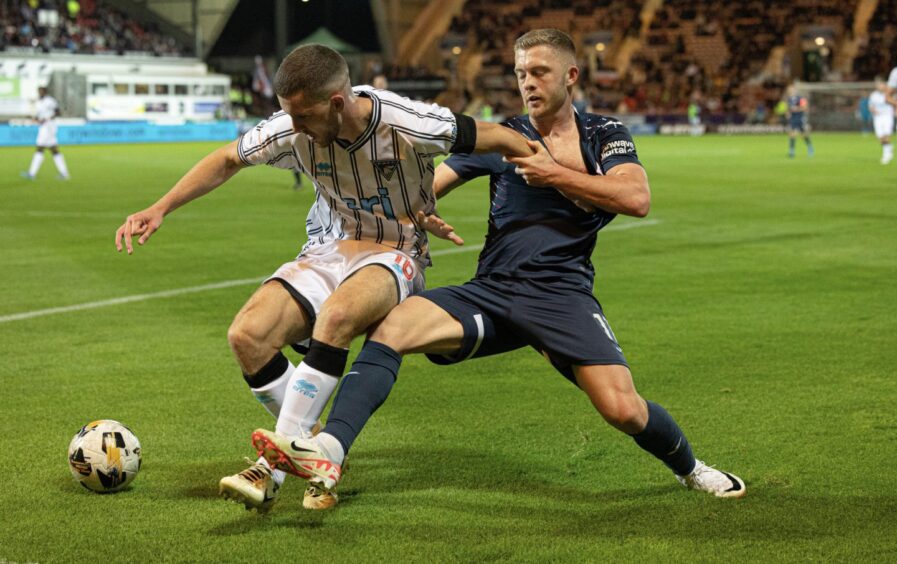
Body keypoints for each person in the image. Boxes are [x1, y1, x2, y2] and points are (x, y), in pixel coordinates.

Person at [253, 29, 746, 508]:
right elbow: (425, 191)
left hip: (560, 296)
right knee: (392, 327)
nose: (527, 83)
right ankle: (330, 453)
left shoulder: (604, 134)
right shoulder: (504, 138)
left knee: (623, 409)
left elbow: (636, 197)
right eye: (519, 73)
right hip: (490, 292)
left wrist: (553, 173)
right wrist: (419, 213)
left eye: (539, 72)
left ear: (570, 75)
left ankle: (691, 469)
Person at [114, 44, 534, 512]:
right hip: (327, 250)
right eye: (288, 115)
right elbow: (228, 158)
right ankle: (315, 452)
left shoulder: (407, 122)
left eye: (304, 116)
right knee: (247, 335)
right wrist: (159, 208)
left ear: (338, 101)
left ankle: (270, 468)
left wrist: (556, 178)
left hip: (395, 253)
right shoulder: (293, 128)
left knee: (334, 318)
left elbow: (501, 137)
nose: (295, 128)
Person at [21, 86, 70, 181]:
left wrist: (46, 119)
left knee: (40, 148)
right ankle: (64, 173)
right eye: (39, 91)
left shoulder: (50, 101)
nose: (40, 93)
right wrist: (34, 118)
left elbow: (58, 112)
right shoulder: (39, 102)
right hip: (44, 127)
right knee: (54, 150)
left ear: (45, 92)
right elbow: (39, 116)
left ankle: (32, 174)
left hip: (49, 127)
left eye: (41, 91)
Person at [868, 77, 894, 165]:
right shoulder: (873, 95)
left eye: (880, 84)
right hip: (877, 117)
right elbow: (871, 106)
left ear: (884, 84)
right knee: (880, 136)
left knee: (886, 134)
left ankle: (886, 154)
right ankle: (889, 148)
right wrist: (873, 110)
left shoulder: (890, 94)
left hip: (887, 116)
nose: (879, 86)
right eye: (877, 84)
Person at [784, 84, 813, 158]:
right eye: (789, 90)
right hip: (793, 119)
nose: (790, 91)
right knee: (792, 134)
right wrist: (787, 113)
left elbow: (805, 108)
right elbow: (788, 109)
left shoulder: (800, 98)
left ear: (794, 90)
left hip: (800, 118)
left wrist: (796, 109)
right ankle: (792, 151)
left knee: (803, 135)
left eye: (791, 89)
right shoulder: (789, 100)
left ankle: (810, 147)